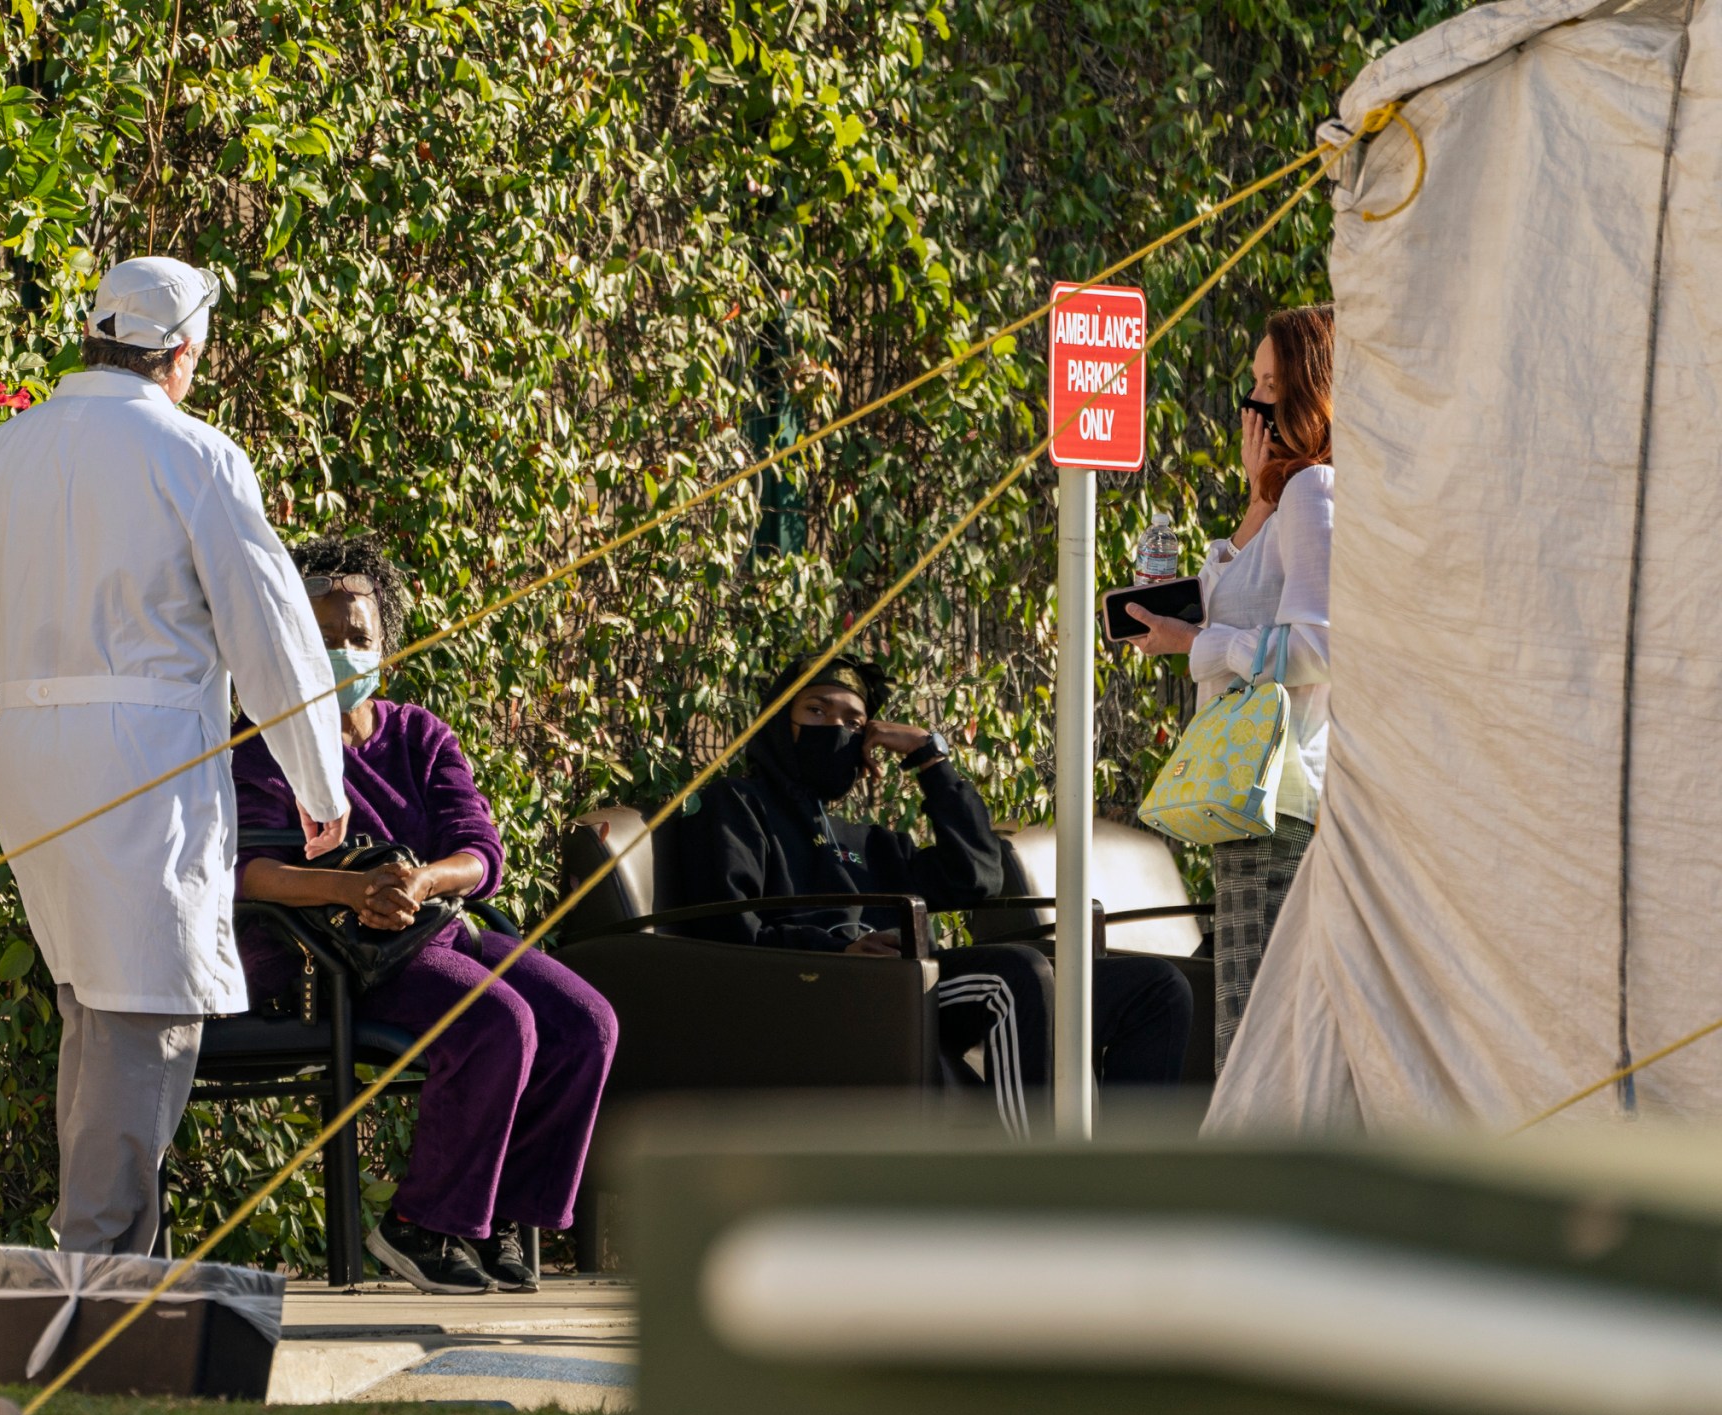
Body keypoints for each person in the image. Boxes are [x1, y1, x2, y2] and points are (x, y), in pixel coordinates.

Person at [0, 256, 350, 1257]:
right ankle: (95, 1269)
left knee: (93, 1012)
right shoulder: (194, 455)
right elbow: (268, 627)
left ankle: (101, 1256)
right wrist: (319, 777)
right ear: (178, 352)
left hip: (30, 757)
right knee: (146, 1015)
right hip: (142, 763)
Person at [231, 535, 617, 1295]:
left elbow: (480, 850)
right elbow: (246, 872)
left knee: (587, 1023)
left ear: (387, 647)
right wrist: (351, 890)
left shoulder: (417, 734)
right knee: (499, 1021)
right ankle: (422, 1223)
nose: (342, 651)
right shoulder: (261, 741)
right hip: (326, 951)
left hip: (427, 923)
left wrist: (418, 878)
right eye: (321, 637)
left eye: (357, 638)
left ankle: (497, 1215)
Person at [668, 657, 1192, 1128]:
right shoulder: (733, 806)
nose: (837, 728)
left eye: (854, 722)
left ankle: (1129, 1189)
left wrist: (930, 761)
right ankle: (1038, 1198)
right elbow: (727, 927)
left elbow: (976, 875)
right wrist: (837, 950)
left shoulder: (867, 842)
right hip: (827, 993)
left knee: (1155, 986)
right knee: (1013, 976)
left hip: (911, 985)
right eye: (817, 710)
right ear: (779, 720)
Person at [1125, 304, 1333, 1071]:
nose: (1253, 406)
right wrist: (1255, 498)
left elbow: (1321, 645)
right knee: (1250, 1021)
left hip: (1281, 800)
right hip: (1252, 804)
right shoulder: (1284, 497)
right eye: (1253, 383)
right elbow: (1243, 609)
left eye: (1272, 387)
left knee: (1256, 1035)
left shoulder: (1314, 492)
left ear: (1312, 394)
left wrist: (1199, 641)